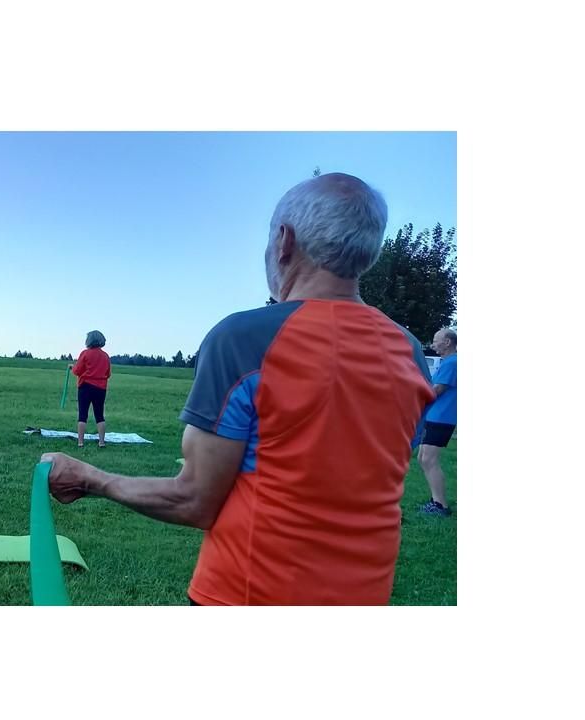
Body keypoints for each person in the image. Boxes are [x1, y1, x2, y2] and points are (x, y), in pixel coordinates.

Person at [42, 173, 437, 605]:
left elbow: (194, 500)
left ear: (284, 241)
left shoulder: (245, 339)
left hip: (247, 593)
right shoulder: (410, 351)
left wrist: (90, 478)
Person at [417, 327, 457, 516]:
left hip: (442, 418)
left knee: (429, 459)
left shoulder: (452, 363)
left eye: (436, 340)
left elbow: (437, 390)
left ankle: (441, 506)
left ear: (447, 342)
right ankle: (436, 500)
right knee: (423, 458)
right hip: (436, 416)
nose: (433, 344)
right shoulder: (449, 362)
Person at [71, 331, 112, 448]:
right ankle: (101, 442)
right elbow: (108, 373)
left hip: (85, 387)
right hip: (101, 388)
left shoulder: (85, 353)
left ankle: (80, 442)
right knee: (99, 415)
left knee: (83, 414)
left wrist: (72, 367)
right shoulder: (105, 356)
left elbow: (77, 370)